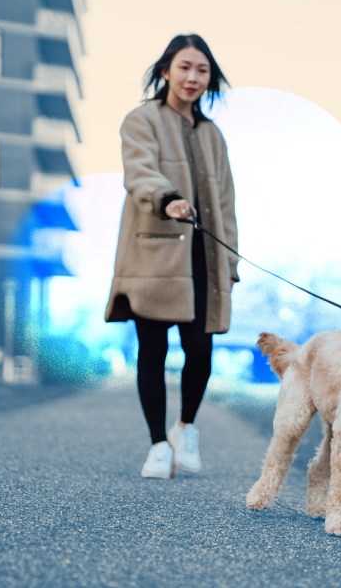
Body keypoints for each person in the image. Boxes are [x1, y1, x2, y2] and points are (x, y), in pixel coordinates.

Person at [104, 34, 239, 479]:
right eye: (184, 67)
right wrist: (169, 199)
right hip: (155, 254)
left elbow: (226, 202)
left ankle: (185, 427)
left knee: (200, 350)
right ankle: (157, 444)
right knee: (153, 350)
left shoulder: (213, 135)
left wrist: (230, 259)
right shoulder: (142, 120)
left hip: (203, 256)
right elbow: (139, 172)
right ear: (165, 70)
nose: (193, 77)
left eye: (202, 70)